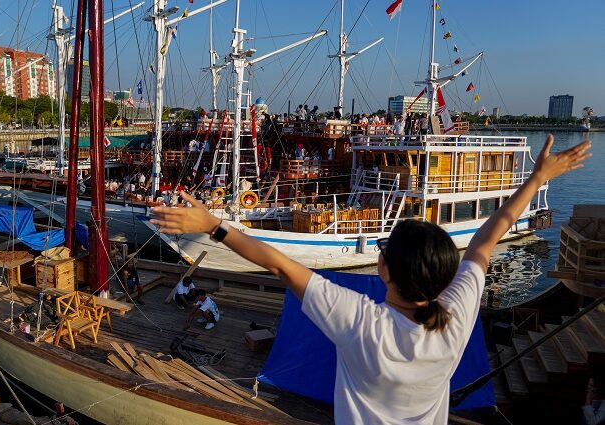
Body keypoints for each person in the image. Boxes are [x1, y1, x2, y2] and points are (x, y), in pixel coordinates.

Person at [150, 135, 591, 423]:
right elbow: (486, 239)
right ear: (443, 276)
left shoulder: (363, 322)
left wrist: (211, 224)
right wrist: (537, 178)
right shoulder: (455, 319)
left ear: (385, 271)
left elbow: (278, 264)